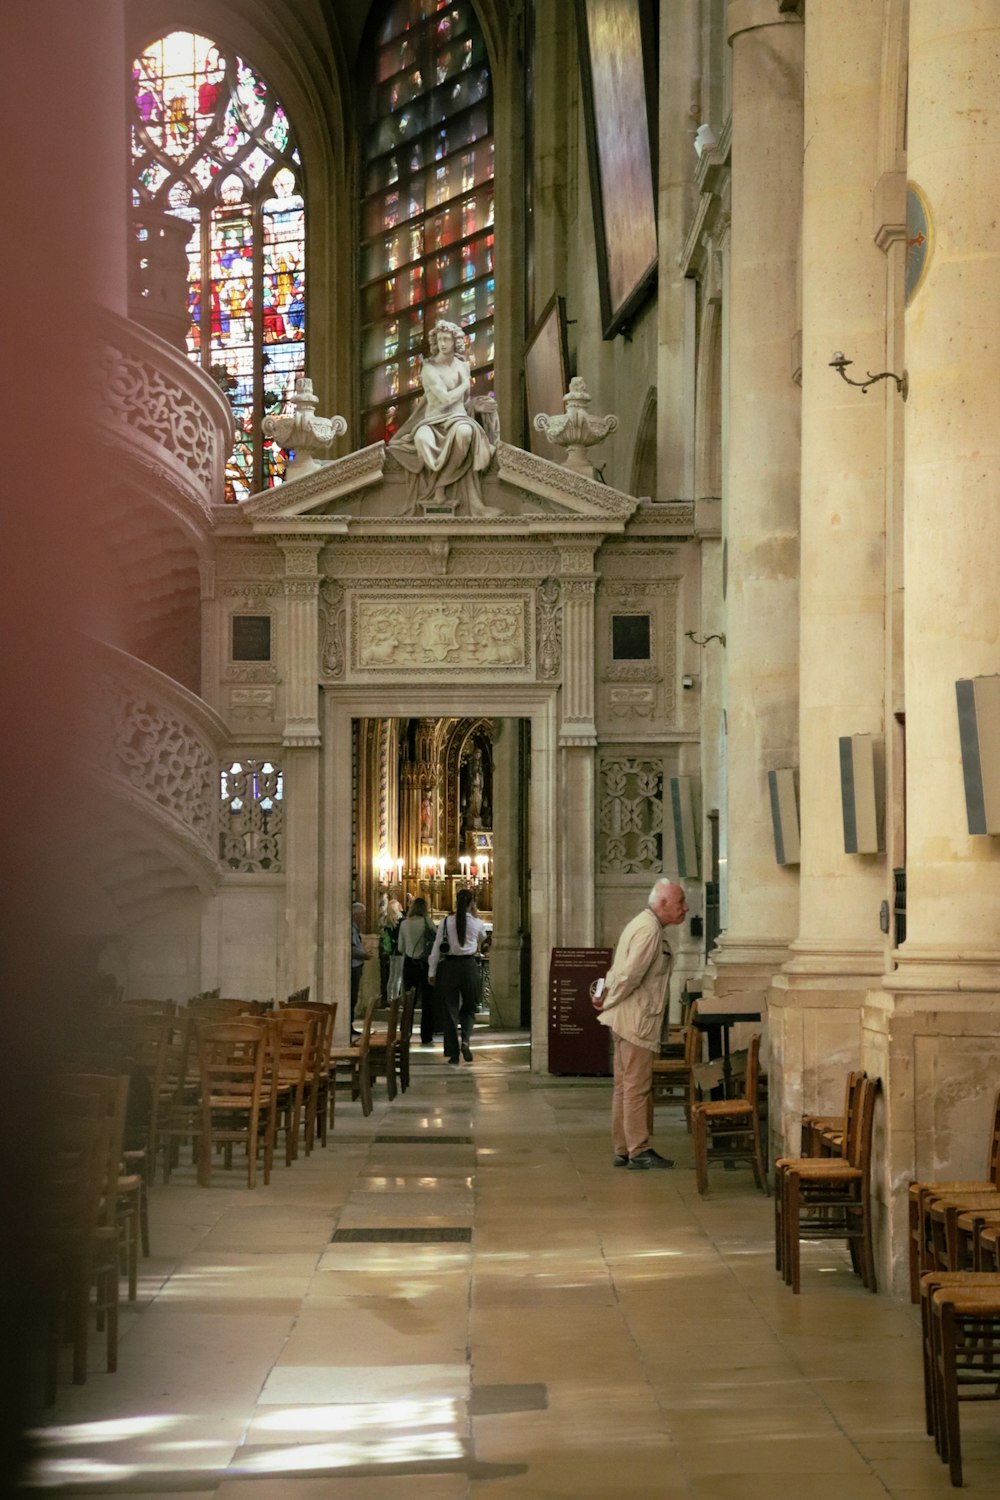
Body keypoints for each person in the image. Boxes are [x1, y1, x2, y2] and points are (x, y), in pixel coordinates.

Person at [593, 879, 688, 1170]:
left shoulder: (643, 924)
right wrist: (607, 999)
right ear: (662, 905)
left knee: (624, 1086)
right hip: (635, 1019)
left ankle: (623, 1147)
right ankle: (638, 1149)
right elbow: (630, 975)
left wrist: (606, 995)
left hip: (627, 1017)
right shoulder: (649, 930)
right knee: (636, 1087)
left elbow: (619, 971)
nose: (685, 908)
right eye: (680, 902)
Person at [387, 319, 498, 516]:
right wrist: (465, 384)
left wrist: (476, 406)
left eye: (447, 339)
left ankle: (439, 487)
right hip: (432, 422)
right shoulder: (429, 368)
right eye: (440, 339)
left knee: (465, 433)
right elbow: (445, 399)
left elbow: (461, 403)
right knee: (421, 439)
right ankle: (437, 487)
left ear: (455, 341)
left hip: (458, 419)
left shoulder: (462, 366)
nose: (443, 343)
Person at [427, 887, 487, 1064]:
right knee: (469, 1008)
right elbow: (483, 938)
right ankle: (466, 1041)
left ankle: (453, 1053)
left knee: (450, 1010)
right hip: (469, 966)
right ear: (471, 903)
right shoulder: (476, 923)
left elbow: (436, 948)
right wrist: (475, 917)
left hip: (450, 968)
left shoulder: (446, 922)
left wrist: (432, 972)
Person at [396, 895, 437, 1044]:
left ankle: (405, 1033)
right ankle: (426, 1035)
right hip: (425, 964)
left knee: (408, 1001)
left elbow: (400, 947)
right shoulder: (428, 923)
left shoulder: (405, 924)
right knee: (428, 1001)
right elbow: (436, 942)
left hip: (410, 964)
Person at [350, 902, 368, 1036]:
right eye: (362, 914)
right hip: (353, 966)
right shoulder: (350, 929)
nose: (364, 917)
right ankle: (348, 1025)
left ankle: (349, 1024)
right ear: (355, 915)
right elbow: (350, 948)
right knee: (351, 997)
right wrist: (364, 955)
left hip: (357, 965)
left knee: (354, 997)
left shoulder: (354, 928)